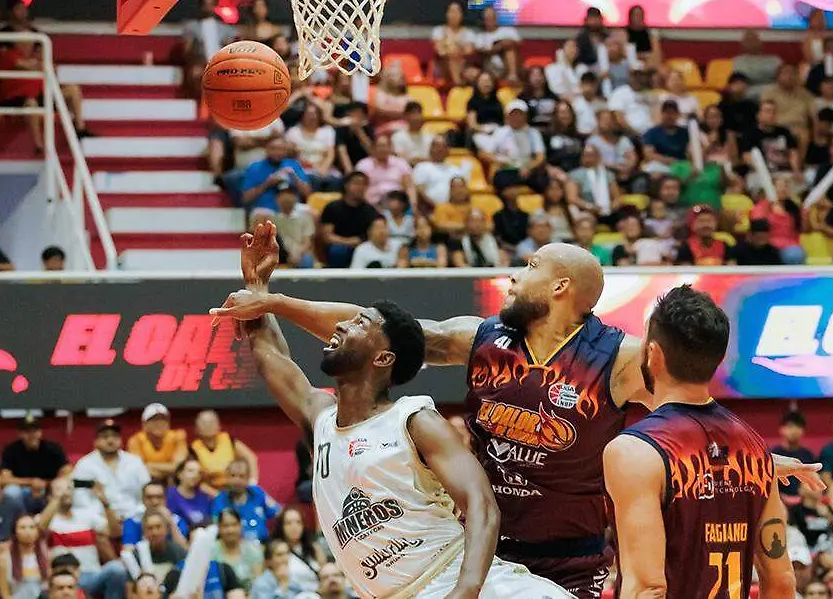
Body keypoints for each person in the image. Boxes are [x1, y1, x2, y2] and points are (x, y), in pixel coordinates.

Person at [212, 223, 820, 597]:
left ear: (560, 288)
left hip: (572, 557)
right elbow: (385, 330)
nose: (512, 276)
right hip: (485, 549)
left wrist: (759, 457)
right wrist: (275, 302)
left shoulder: (618, 357)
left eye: (529, 267)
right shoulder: (483, 339)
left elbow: (687, 416)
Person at [220, 224, 573, 599]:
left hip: (458, 580)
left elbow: (481, 504)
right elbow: (271, 357)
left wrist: (467, 589)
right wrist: (257, 285)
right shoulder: (319, 418)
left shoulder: (413, 419)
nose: (341, 324)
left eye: (360, 322)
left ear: (383, 358)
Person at [604, 285, 796, 598]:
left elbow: (647, 588)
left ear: (653, 354)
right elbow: (782, 581)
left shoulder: (633, 450)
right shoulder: (755, 448)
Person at [38, 479, 127, 599]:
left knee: (117, 568)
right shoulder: (48, 519)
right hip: (63, 578)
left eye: (69, 488)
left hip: (91, 575)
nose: (66, 492)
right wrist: (57, 499)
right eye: (60, 489)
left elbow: (115, 532)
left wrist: (105, 504)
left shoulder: (86, 515)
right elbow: (40, 529)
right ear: (49, 496)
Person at [72, 420, 152, 522]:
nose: (110, 440)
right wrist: (103, 518)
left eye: (115, 436)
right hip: (98, 520)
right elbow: (80, 499)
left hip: (134, 517)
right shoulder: (85, 465)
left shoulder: (135, 462)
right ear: (96, 441)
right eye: (105, 437)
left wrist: (137, 514)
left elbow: (147, 491)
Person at [0, 417, 70, 513]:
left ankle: (57, 520)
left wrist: (49, 483)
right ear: (20, 434)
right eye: (27, 432)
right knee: (11, 491)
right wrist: (31, 482)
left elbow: (68, 471)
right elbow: (4, 479)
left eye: (35, 431)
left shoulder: (53, 448)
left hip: (48, 489)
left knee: (63, 486)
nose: (31, 435)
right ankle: (19, 520)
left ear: (40, 432)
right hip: (23, 490)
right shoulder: (11, 450)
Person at [318, 171, 380, 269]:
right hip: (339, 246)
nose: (360, 187)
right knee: (337, 251)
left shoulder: (370, 210)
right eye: (356, 183)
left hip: (362, 245)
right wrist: (348, 241)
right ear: (346, 185)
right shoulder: (332, 208)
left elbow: (374, 234)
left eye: (363, 184)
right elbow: (327, 236)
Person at [191, 410, 259, 497]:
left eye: (212, 422)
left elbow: (251, 457)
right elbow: (197, 482)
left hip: (236, 489)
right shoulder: (193, 449)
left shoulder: (228, 440)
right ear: (196, 429)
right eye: (204, 423)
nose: (208, 425)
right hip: (211, 494)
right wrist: (218, 496)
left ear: (219, 426)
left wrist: (252, 483)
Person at [211, 459, 281, 543]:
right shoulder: (219, 500)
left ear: (248, 478)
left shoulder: (257, 493)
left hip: (263, 544)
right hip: (235, 547)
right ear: (227, 478)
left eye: (241, 476)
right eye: (233, 476)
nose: (237, 480)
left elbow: (279, 513)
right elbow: (216, 528)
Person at [127, 404, 188, 482]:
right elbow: (138, 469)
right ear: (144, 424)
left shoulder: (177, 437)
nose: (159, 423)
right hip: (146, 482)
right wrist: (168, 470)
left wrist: (150, 465)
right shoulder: (136, 440)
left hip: (173, 481)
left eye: (163, 419)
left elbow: (179, 467)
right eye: (154, 420)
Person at [122, 482, 189, 548]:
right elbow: (128, 549)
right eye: (149, 497)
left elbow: (184, 549)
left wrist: (171, 523)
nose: (155, 502)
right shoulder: (134, 521)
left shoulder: (176, 520)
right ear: (143, 499)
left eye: (159, 497)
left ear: (165, 499)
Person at [772, 411, 817, 499]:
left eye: (798, 426)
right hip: (778, 499)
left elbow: (812, 480)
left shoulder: (808, 455)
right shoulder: (773, 454)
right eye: (790, 426)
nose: (794, 430)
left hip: (804, 500)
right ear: (781, 429)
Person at [2, 515, 48, 599]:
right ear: (15, 532)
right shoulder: (5, 559)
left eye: (32, 527)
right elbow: (5, 594)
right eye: (22, 527)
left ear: (37, 532)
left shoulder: (46, 556)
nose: (28, 531)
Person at [166, 458, 213, 531]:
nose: (195, 475)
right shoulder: (170, 495)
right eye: (190, 471)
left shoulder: (204, 496)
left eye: (199, 472)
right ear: (179, 474)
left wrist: (212, 492)